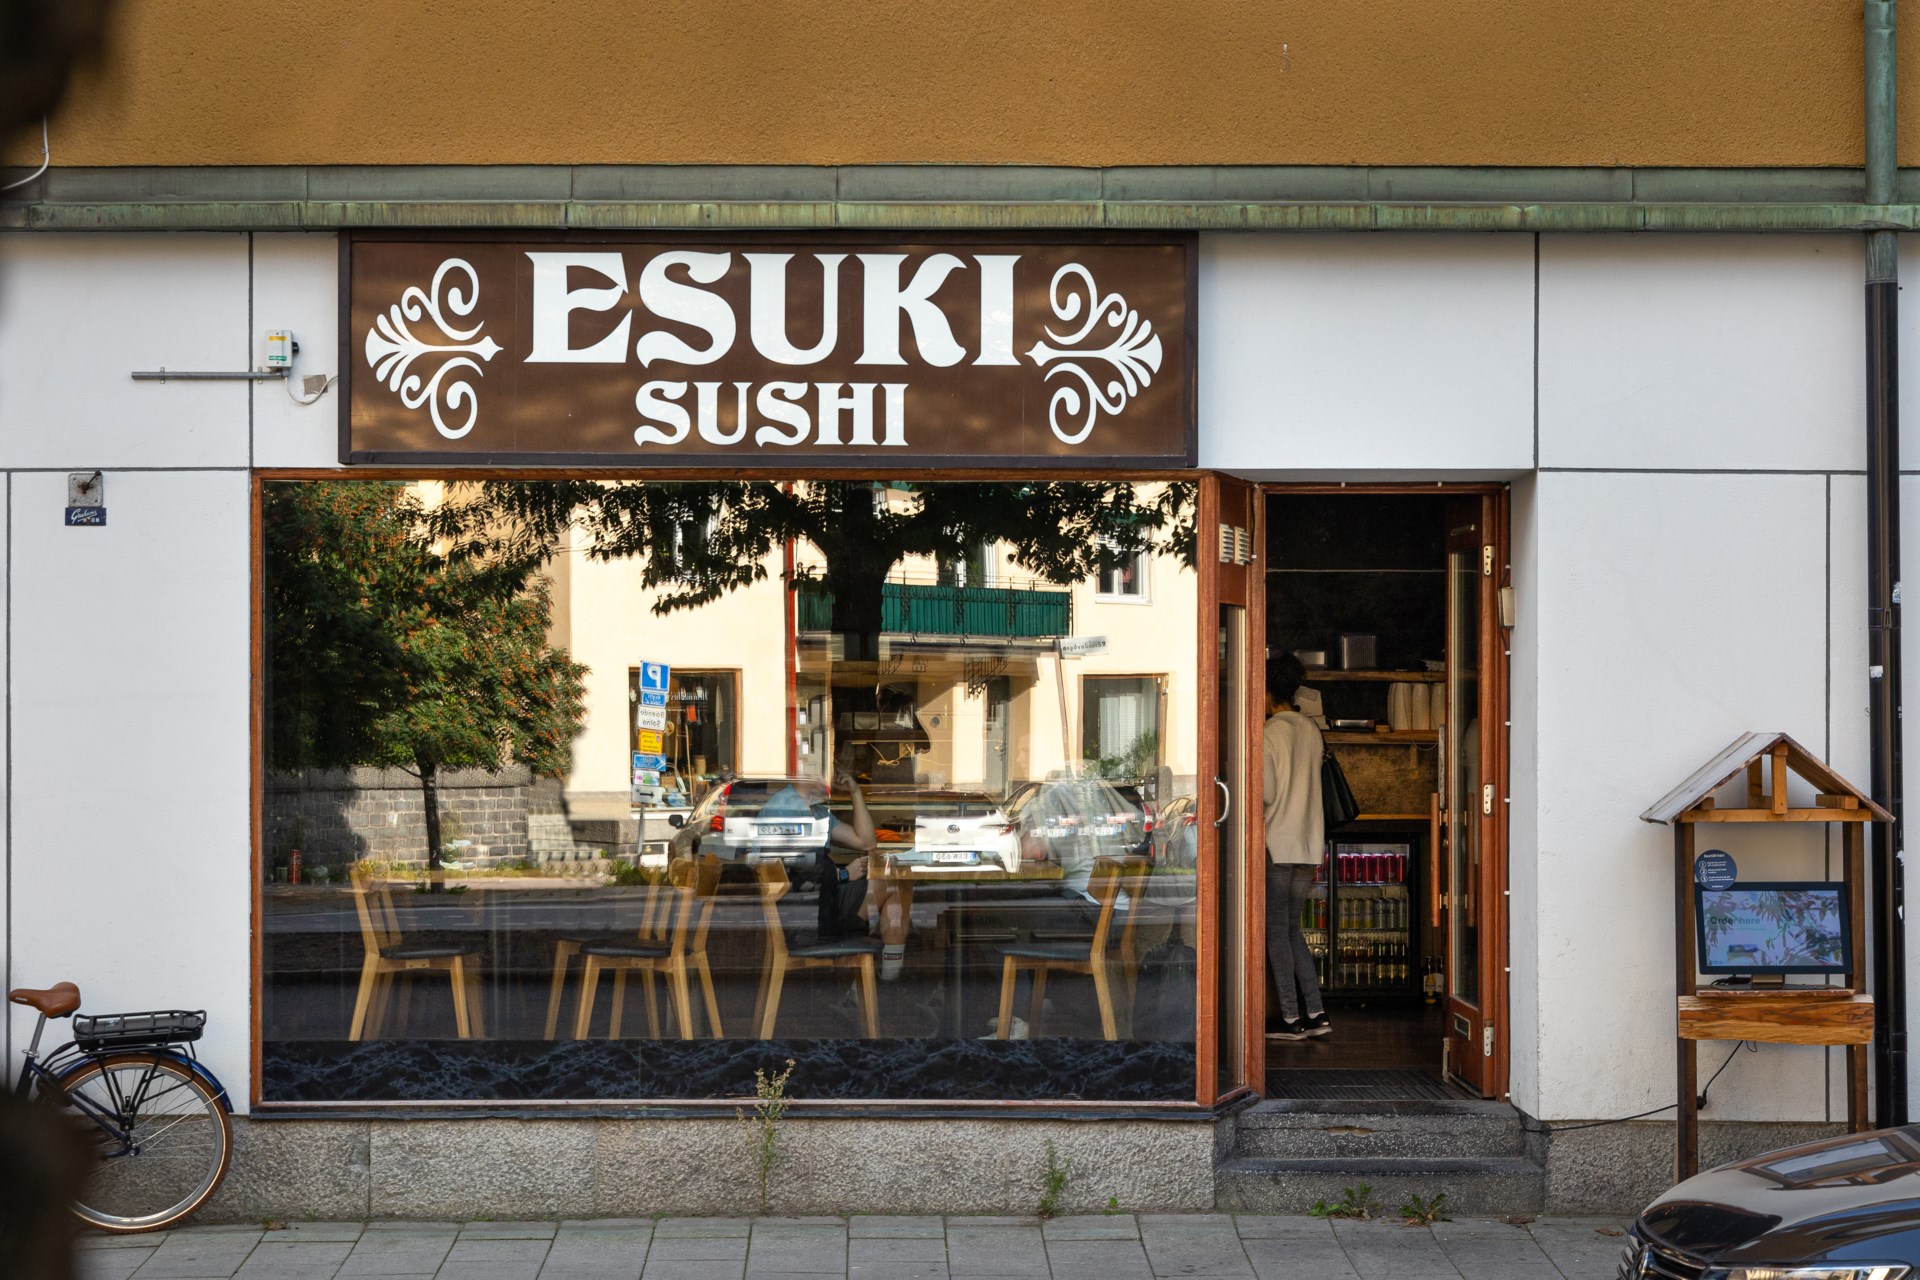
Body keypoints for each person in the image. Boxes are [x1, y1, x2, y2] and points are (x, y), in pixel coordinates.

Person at [1264, 654, 1331, 1040]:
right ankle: (1317, 1013)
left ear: (1267, 691)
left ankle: (1291, 1018)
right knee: (1293, 930)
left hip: (1278, 844)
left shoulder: (1269, 732)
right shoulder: (1311, 730)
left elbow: (1267, 793)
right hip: (1308, 845)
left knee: (1277, 931)